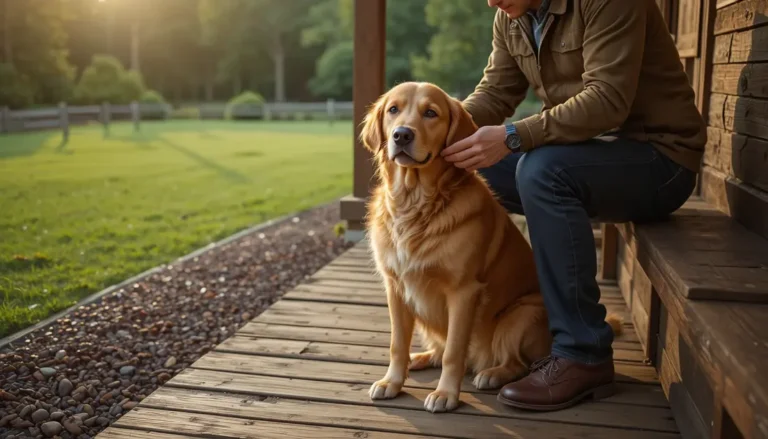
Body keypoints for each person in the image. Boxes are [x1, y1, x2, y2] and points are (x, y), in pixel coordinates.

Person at [441, 0, 706, 411]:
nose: (491, 1)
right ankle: (491, 319)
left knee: (540, 171)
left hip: (660, 160)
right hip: (584, 156)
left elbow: (607, 99)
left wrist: (512, 136)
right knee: (474, 166)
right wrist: (433, 131)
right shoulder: (510, 17)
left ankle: (583, 352)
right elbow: (494, 93)